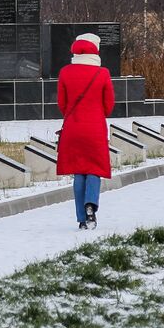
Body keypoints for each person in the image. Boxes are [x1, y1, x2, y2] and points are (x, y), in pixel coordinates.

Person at [55, 32, 114, 229]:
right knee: (94, 169)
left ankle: (81, 219)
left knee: (78, 172)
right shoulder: (102, 73)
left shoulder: (65, 72)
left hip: (73, 128)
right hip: (95, 128)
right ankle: (91, 205)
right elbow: (109, 105)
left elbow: (62, 104)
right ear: (95, 50)